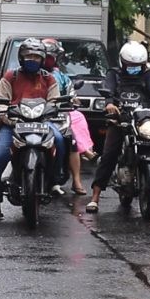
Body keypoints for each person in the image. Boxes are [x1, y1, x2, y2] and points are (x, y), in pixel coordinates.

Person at [0, 38, 64, 221]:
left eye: (36, 56)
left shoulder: (49, 79)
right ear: (21, 58)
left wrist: (52, 111)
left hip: (42, 124)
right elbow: (1, 103)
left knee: (59, 139)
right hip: (13, 125)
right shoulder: (10, 77)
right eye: (28, 56)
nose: (32, 59)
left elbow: (54, 102)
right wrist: (7, 117)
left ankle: (55, 179)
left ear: (43, 59)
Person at [86, 42, 150, 213]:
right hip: (119, 120)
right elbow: (108, 89)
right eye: (131, 66)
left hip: (143, 120)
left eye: (138, 66)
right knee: (109, 154)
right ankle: (95, 197)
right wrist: (109, 104)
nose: (134, 69)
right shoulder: (114, 74)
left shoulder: (147, 74)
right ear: (123, 62)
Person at [42, 38, 88, 195]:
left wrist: (73, 99)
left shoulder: (61, 77)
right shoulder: (30, 74)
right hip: (35, 118)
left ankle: (76, 181)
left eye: (51, 56)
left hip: (57, 117)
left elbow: (71, 93)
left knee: (72, 142)